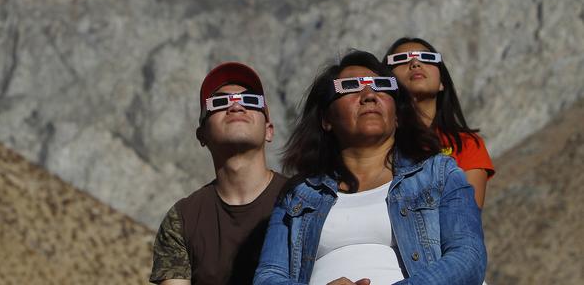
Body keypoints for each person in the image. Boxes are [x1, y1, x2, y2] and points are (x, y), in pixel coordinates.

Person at [254, 50, 486, 285]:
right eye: (351, 87)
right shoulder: (298, 195)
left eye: (381, 86)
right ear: (326, 119)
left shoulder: (440, 174)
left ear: (397, 115)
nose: (369, 95)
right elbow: (267, 278)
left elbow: (468, 258)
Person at [150, 62, 287, 285]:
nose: (236, 107)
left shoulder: (304, 199)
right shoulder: (182, 219)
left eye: (250, 101)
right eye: (220, 103)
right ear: (201, 134)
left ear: (269, 130)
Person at [383, 37, 495, 208]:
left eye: (427, 58)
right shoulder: (376, 142)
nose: (415, 63)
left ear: (442, 82)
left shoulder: (467, 144)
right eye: (400, 59)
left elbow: (465, 219)